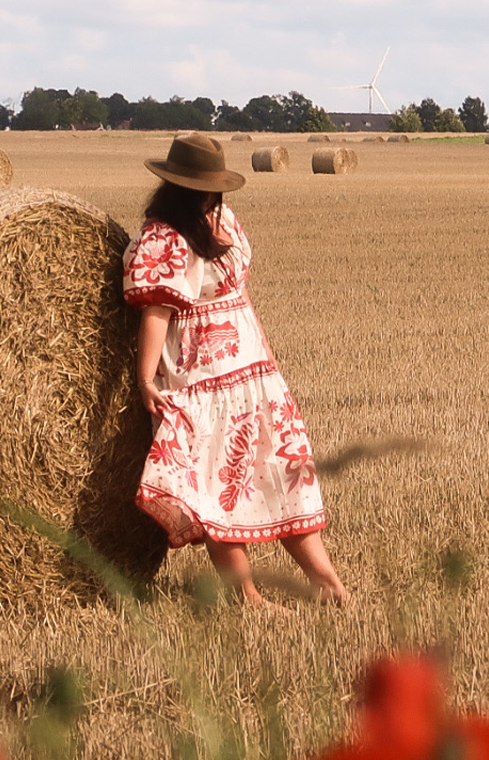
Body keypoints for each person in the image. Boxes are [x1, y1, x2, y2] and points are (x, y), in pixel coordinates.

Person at [126, 133, 350, 610]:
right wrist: (144, 378)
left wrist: (266, 357)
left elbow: (180, 307)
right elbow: (157, 312)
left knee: (250, 477)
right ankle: (254, 596)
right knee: (260, 472)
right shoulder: (171, 233)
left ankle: (322, 581)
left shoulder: (199, 225)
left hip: (239, 368)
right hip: (208, 374)